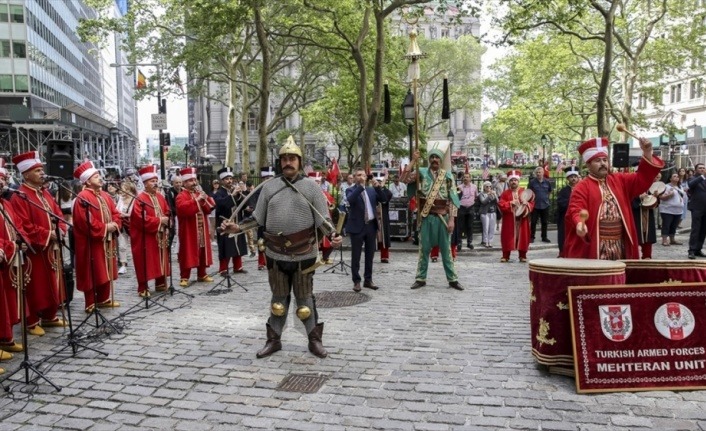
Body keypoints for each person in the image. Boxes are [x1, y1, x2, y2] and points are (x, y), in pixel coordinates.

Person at [221, 136, 342, 358]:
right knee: (278, 300)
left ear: (299, 161)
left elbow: (323, 221)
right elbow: (257, 218)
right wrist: (236, 228)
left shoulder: (311, 187)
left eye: (292, 158)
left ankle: (314, 340)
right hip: (275, 253)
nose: (288, 162)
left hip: (304, 253)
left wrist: (333, 235)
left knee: (305, 300)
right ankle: (273, 340)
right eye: (284, 158)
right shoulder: (269, 187)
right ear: (280, 162)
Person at [564, 136, 664, 260]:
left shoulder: (619, 180)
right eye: (597, 161)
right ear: (588, 165)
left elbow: (641, 179)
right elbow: (576, 208)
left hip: (620, 244)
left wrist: (647, 152)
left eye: (605, 160)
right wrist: (579, 223)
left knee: (619, 276)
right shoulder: (582, 187)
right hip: (596, 243)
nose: (603, 164)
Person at [9, 151, 67, 335]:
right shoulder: (20, 196)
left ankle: (50, 316)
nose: (42, 173)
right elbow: (24, 224)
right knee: (35, 285)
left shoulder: (45, 193)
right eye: (37, 171)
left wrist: (61, 230)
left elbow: (58, 213)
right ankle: (31, 321)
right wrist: (48, 234)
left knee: (53, 281)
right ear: (26, 174)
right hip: (36, 250)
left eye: (42, 170)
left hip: (51, 247)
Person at [400, 142, 463, 291]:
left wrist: (452, 220)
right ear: (429, 159)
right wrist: (414, 160)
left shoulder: (447, 175)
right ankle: (420, 278)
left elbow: (453, 198)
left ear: (441, 160)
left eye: (437, 157)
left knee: (446, 250)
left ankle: (453, 279)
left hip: (443, 217)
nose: (434, 159)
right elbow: (403, 179)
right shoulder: (420, 172)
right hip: (426, 217)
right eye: (432, 157)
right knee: (424, 249)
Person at [72, 161, 122, 312]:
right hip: (92, 242)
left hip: (106, 240)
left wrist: (115, 224)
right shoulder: (82, 197)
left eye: (99, 175)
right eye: (96, 176)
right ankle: (90, 302)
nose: (100, 178)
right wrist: (106, 227)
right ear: (87, 181)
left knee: (106, 269)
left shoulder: (105, 196)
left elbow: (116, 213)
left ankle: (103, 298)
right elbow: (84, 221)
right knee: (92, 270)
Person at [129, 166, 171, 297]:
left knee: (160, 258)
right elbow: (140, 218)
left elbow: (167, 210)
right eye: (152, 181)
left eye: (156, 180)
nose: (155, 183)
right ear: (145, 183)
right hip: (145, 237)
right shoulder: (140, 199)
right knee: (145, 260)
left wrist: (166, 220)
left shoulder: (160, 196)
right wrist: (159, 221)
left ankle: (160, 283)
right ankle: (143, 287)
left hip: (160, 234)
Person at [346, 168, 388, 292]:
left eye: (363, 175)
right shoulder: (351, 190)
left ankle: (368, 280)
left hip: (371, 226)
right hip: (357, 227)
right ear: (354, 177)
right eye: (358, 175)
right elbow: (350, 199)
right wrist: (361, 187)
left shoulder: (371, 190)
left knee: (370, 255)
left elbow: (384, 199)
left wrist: (378, 187)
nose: (361, 177)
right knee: (356, 256)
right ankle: (356, 281)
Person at [0, 160, 24, 364]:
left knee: (6, 301)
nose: (4, 182)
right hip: (3, 255)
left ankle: (6, 338)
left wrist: (18, 241)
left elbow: (16, 226)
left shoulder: (5, 203)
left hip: (7, 259)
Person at [176, 167, 215, 286]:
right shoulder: (181, 196)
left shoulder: (199, 193)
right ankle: (184, 276)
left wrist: (204, 199)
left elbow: (209, 208)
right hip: (189, 230)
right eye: (191, 180)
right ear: (184, 182)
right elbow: (183, 210)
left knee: (202, 250)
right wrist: (197, 200)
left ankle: (202, 273)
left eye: (194, 180)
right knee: (187, 251)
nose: (194, 182)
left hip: (202, 228)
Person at [213, 167, 248, 275]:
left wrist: (241, 197)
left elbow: (241, 205)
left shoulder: (235, 191)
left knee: (238, 244)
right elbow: (220, 205)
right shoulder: (218, 193)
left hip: (237, 222)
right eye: (227, 179)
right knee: (225, 246)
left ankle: (238, 267)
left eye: (231, 178)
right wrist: (232, 196)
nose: (230, 181)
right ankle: (223, 269)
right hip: (225, 223)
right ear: (222, 181)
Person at [497, 170, 535, 262]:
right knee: (507, 237)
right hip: (509, 219)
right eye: (511, 180)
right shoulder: (505, 193)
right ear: (509, 182)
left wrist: (526, 205)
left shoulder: (524, 191)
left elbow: (532, 201)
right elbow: (501, 204)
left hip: (522, 219)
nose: (513, 182)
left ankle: (522, 255)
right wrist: (510, 203)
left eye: (515, 180)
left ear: (518, 181)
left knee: (523, 237)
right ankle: (505, 256)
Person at [631, 173, 662, 259]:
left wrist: (655, 197)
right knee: (635, 238)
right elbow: (627, 199)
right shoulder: (632, 186)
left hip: (648, 216)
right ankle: (633, 260)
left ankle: (647, 258)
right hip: (635, 215)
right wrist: (639, 197)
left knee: (648, 239)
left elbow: (655, 204)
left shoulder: (651, 187)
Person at [556, 167, 580, 256]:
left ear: (578, 178)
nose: (573, 178)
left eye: (575, 176)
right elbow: (561, 203)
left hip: (578, 218)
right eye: (571, 177)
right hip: (565, 218)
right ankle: (563, 252)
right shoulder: (563, 191)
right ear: (567, 178)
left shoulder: (581, 189)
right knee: (564, 235)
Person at [115, 180, 136, 275]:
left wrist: (126, 214)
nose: (122, 192)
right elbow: (116, 210)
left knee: (135, 245)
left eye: (124, 190)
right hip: (122, 225)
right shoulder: (120, 199)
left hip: (133, 225)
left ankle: (138, 263)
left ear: (129, 190)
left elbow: (136, 213)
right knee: (122, 245)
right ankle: (123, 265)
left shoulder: (135, 200)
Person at [659, 172, 684, 247]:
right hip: (667, 210)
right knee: (666, 225)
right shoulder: (666, 187)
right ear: (670, 178)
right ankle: (664, 240)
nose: (676, 177)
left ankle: (672, 239)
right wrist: (669, 195)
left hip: (678, 210)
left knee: (674, 225)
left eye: (677, 176)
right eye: (674, 176)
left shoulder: (680, 187)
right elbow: (661, 197)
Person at [528, 166, 553, 243]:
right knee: (533, 222)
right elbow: (528, 192)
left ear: (543, 173)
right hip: (535, 205)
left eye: (540, 172)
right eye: (537, 172)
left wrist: (545, 198)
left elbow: (549, 191)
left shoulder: (547, 182)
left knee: (544, 222)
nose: (538, 174)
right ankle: (532, 237)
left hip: (545, 205)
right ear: (535, 173)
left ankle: (544, 237)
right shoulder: (532, 182)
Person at [687, 163, 706, 259]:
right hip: (697, 208)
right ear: (696, 170)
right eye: (700, 168)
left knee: (703, 230)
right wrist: (702, 176)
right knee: (696, 229)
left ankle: (698, 249)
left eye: (703, 168)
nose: (702, 169)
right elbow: (690, 185)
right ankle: (692, 250)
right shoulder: (693, 178)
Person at [374, 173, 393, 263]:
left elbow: (385, 199)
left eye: (380, 181)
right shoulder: (372, 191)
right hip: (373, 217)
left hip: (383, 218)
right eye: (377, 181)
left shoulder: (387, 192)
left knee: (384, 238)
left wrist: (380, 188)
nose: (378, 183)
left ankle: (384, 256)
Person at [457, 173, 478, 250]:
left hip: (470, 208)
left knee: (470, 226)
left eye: (467, 177)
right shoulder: (459, 187)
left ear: (470, 178)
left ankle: (470, 242)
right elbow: (457, 198)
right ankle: (459, 242)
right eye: (464, 177)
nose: (465, 178)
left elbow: (476, 197)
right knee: (460, 226)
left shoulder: (474, 187)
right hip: (461, 208)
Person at [165, 175, 183, 250]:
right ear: (173, 183)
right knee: (171, 235)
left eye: (179, 182)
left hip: (182, 216)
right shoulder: (169, 192)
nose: (178, 184)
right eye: (176, 182)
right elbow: (169, 206)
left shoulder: (183, 191)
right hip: (173, 216)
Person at [478, 181, 497, 248]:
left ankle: (490, 241)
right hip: (484, 212)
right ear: (484, 187)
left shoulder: (493, 193)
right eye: (487, 186)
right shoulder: (481, 194)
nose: (489, 187)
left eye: (490, 186)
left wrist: (495, 195)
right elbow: (483, 202)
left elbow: (497, 202)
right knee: (486, 228)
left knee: (492, 228)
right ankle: (485, 241)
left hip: (492, 212)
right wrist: (489, 196)